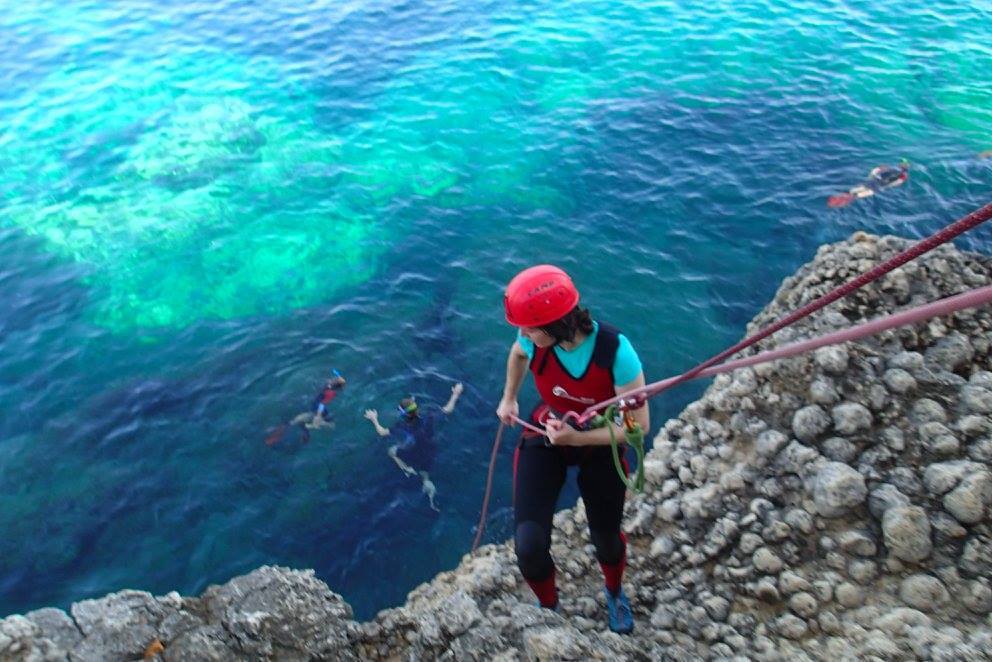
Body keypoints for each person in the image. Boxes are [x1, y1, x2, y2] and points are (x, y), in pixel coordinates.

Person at [496, 264, 649, 634]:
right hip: (550, 430)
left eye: (530, 327)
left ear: (553, 324)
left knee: (606, 540)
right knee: (529, 546)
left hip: (598, 441)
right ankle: (548, 606)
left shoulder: (616, 352)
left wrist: (577, 438)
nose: (523, 334)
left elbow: (637, 428)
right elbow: (517, 354)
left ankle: (614, 592)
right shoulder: (533, 341)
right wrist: (510, 398)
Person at [363, 382, 464, 511]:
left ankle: (406, 469)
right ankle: (428, 487)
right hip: (431, 449)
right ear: (416, 410)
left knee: (391, 451)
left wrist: (374, 419)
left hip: (414, 453)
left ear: (403, 415)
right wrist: (455, 394)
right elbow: (448, 409)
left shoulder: (401, 426)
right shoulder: (429, 416)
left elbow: (382, 432)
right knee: (425, 472)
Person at [265, 371, 346, 446]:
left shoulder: (330, 393)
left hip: (317, 412)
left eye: (333, 380)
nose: (331, 379)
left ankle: (274, 439)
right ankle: (306, 431)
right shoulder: (328, 387)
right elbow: (336, 381)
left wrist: (318, 416)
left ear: (334, 384)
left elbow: (322, 404)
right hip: (314, 408)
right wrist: (337, 378)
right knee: (300, 421)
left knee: (296, 421)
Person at [828, 161, 910, 207]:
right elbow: (897, 182)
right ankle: (851, 197)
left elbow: (875, 169)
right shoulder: (904, 175)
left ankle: (847, 193)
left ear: (900, 165)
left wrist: (870, 177)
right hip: (881, 184)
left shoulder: (888, 166)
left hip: (874, 179)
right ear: (905, 169)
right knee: (869, 192)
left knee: (862, 187)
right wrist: (887, 187)